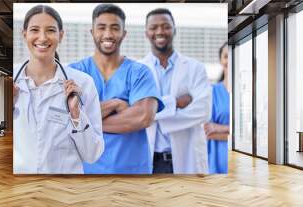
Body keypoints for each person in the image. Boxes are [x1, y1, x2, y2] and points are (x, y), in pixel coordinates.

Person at [69, 3, 164, 174]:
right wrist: (114, 104)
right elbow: (64, 118)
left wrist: (86, 123)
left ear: (124, 34)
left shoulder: (140, 72)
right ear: (92, 32)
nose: (108, 34)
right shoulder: (75, 72)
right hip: (86, 172)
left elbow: (143, 117)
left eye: (114, 28)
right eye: (101, 27)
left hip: (132, 171)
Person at [13, 5, 104, 174]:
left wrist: (76, 114)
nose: (42, 37)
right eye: (34, 30)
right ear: (24, 34)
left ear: (61, 35)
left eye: (50, 30)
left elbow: (92, 154)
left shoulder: (83, 83)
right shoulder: (9, 81)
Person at [140, 8, 212, 174]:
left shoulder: (195, 68)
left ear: (174, 30)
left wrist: (154, 116)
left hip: (186, 158)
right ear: (146, 33)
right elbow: (135, 111)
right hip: (150, 159)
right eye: (154, 27)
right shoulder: (137, 69)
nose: (160, 31)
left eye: (165, 26)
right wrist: (176, 103)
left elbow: (203, 111)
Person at [205, 42, 230, 174]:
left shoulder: (250, 93)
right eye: (226, 56)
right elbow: (207, 132)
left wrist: (222, 128)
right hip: (217, 165)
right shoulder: (212, 92)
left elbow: (256, 134)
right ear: (221, 61)